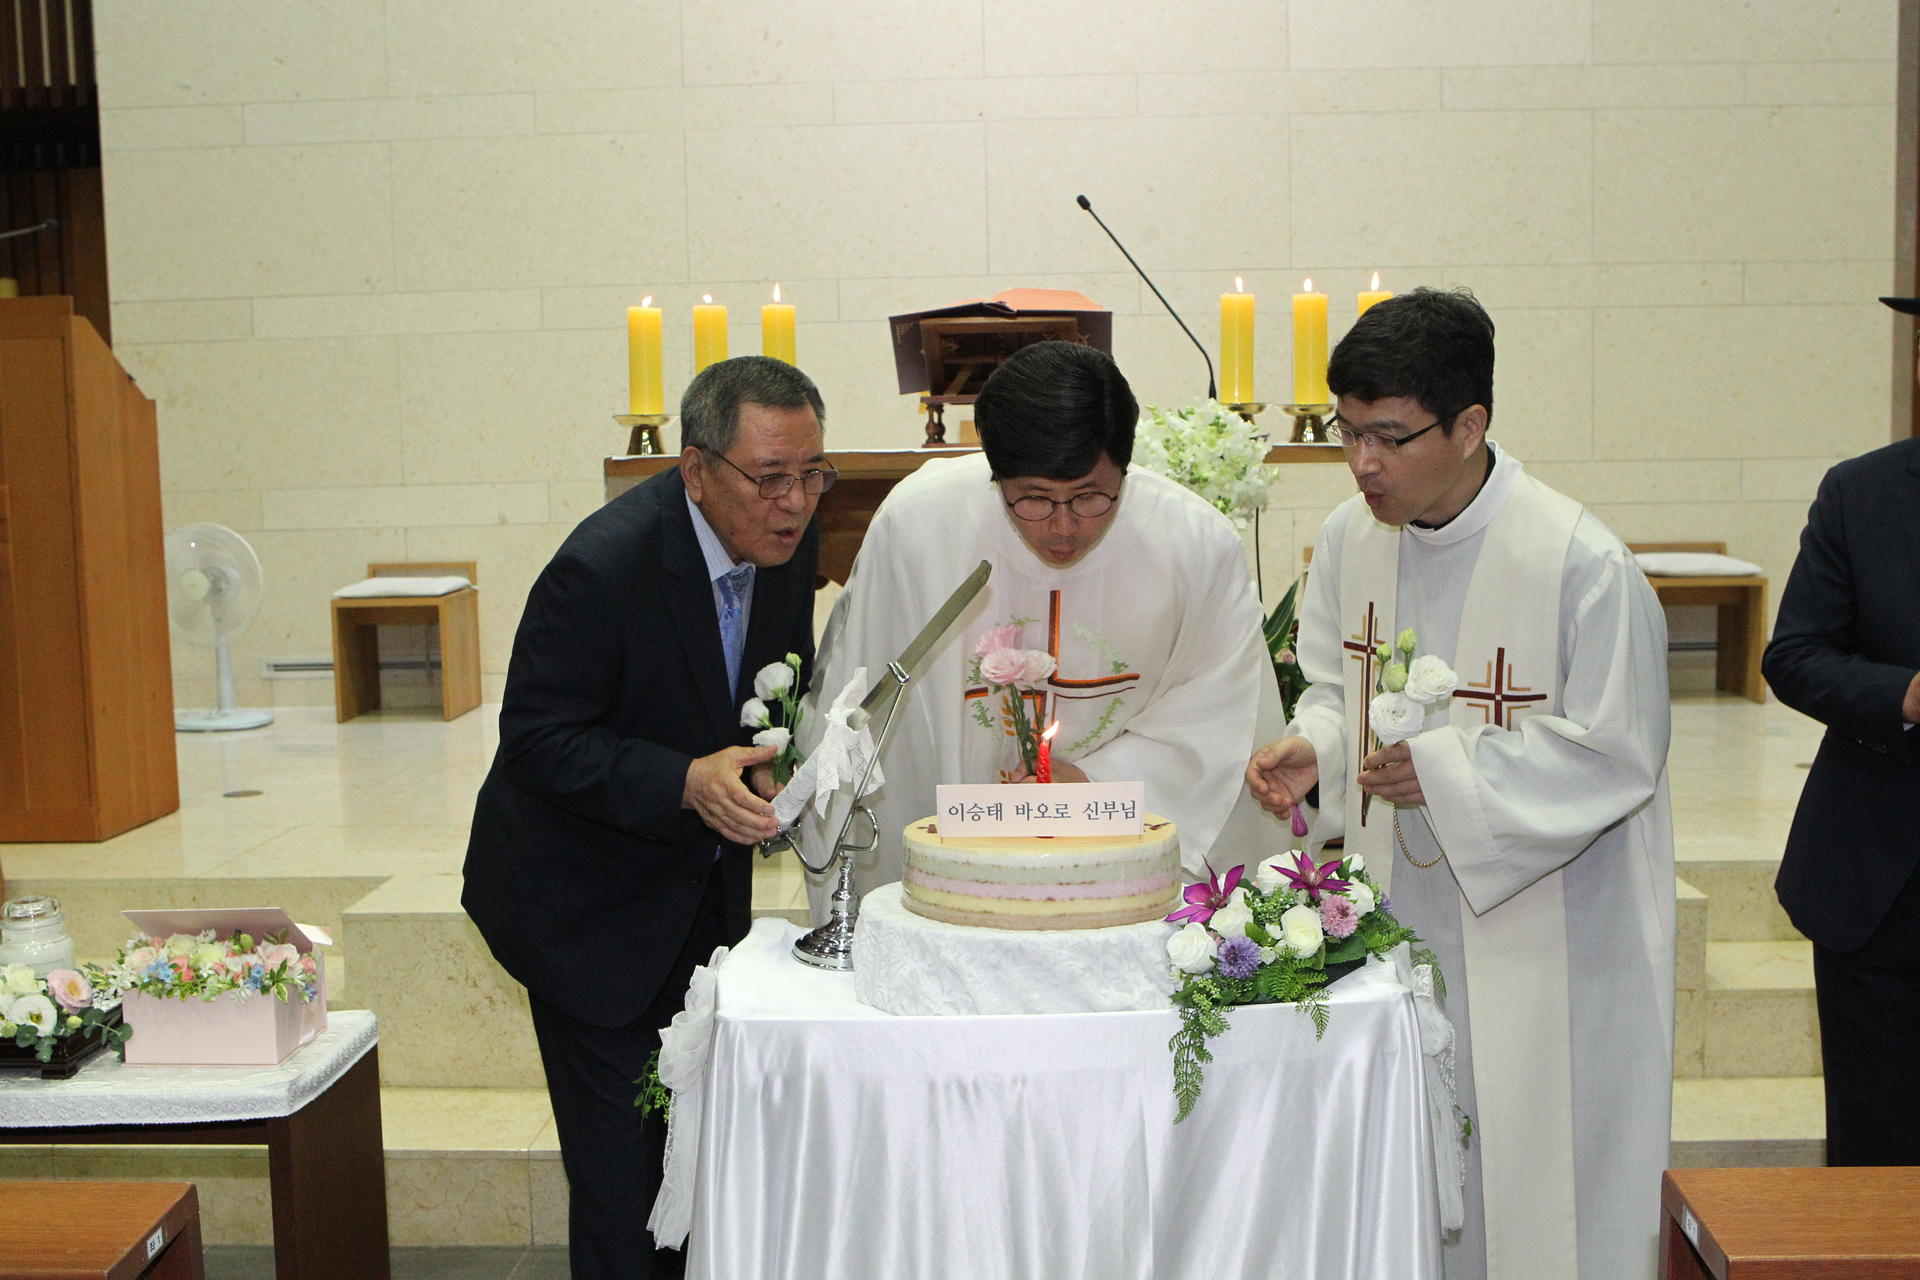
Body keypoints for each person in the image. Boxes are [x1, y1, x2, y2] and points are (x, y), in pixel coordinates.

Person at [1245, 288, 1674, 1280]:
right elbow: (1334, 682)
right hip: (1399, 913)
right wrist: (1317, 746)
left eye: (1390, 437)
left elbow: (1617, 753)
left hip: (1550, 938)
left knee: (1537, 1191)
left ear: (1470, 425)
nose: (1363, 463)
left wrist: (1444, 767)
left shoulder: (1580, 563)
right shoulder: (1351, 539)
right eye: (1349, 432)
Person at [462, 356, 827, 1280]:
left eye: (811, 474)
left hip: (696, 898)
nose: (793, 502)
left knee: (699, 1169)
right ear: (696, 469)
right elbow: (536, 740)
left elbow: (770, 686)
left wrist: (777, 763)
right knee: (626, 1196)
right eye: (770, 477)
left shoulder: (784, 541)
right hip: (583, 915)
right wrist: (685, 781)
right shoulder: (602, 568)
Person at [798, 340, 1282, 902]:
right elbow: (869, 712)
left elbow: (1218, 712)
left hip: (1122, 858)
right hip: (956, 853)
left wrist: (1092, 782)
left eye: (1090, 497)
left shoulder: (1193, 543)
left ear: (1125, 470)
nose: (1063, 528)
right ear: (995, 473)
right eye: (1033, 499)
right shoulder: (919, 527)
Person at [1763, 292, 1920, 1168]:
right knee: (1876, 1156)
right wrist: (1907, 694)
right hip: (1880, 886)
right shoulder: (1862, 491)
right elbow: (1795, 655)